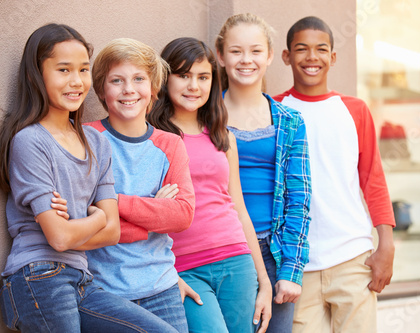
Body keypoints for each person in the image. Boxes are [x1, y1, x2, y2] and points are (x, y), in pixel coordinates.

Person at [0, 23, 178, 333]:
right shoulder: (30, 141)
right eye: (63, 70)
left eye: (82, 70)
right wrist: (95, 218)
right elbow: (60, 238)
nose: (76, 81)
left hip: (80, 277)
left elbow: (112, 231)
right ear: (35, 75)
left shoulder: (95, 143)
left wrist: (78, 225)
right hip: (37, 276)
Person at [274, 16, 396, 333]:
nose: (312, 57)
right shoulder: (274, 110)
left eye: (321, 49)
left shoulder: (354, 110)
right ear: (287, 56)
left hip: (352, 257)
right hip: (297, 264)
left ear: (333, 57)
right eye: (301, 49)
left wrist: (386, 245)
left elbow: (374, 181)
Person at [147, 37, 272, 333]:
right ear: (165, 79)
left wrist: (264, 280)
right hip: (183, 268)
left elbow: (239, 209)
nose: (194, 86)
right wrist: (167, 273)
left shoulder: (223, 137)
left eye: (203, 77)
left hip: (237, 261)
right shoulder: (151, 137)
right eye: (183, 75)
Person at [83, 38, 195, 333]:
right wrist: (153, 216)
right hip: (103, 291)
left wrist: (114, 203)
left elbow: (182, 215)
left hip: (162, 288)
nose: (128, 89)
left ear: (153, 89)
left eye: (138, 79)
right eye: (116, 80)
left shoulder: (170, 144)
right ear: (101, 90)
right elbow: (82, 219)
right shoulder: (88, 140)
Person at [215, 13, 311, 333]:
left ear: (270, 56)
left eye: (256, 51)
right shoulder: (204, 119)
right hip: (224, 251)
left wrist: (291, 270)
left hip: (274, 253)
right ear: (221, 55)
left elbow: (300, 198)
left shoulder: (290, 120)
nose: (246, 60)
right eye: (236, 51)